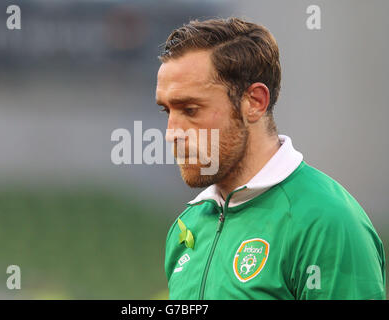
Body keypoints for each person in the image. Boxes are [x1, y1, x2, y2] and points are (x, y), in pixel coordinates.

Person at [155, 17, 386, 300]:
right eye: (167, 112)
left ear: (254, 102)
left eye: (190, 109)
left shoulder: (328, 222)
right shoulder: (187, 227)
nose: (171, 134)